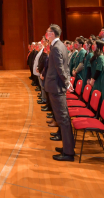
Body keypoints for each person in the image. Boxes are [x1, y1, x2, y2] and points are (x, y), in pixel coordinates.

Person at [44, 24, 76, 162]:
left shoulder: (56, 47)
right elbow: (65, 67)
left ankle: (68, 152)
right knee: (63, 119)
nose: (46, 34)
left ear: (52, 34)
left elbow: (60, 68)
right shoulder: (61, 46)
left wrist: (67, 82)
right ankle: (67, 147)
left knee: (63, 119)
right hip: (58, 85)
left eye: (47, 32)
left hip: (56, 87)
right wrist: (67, 81)